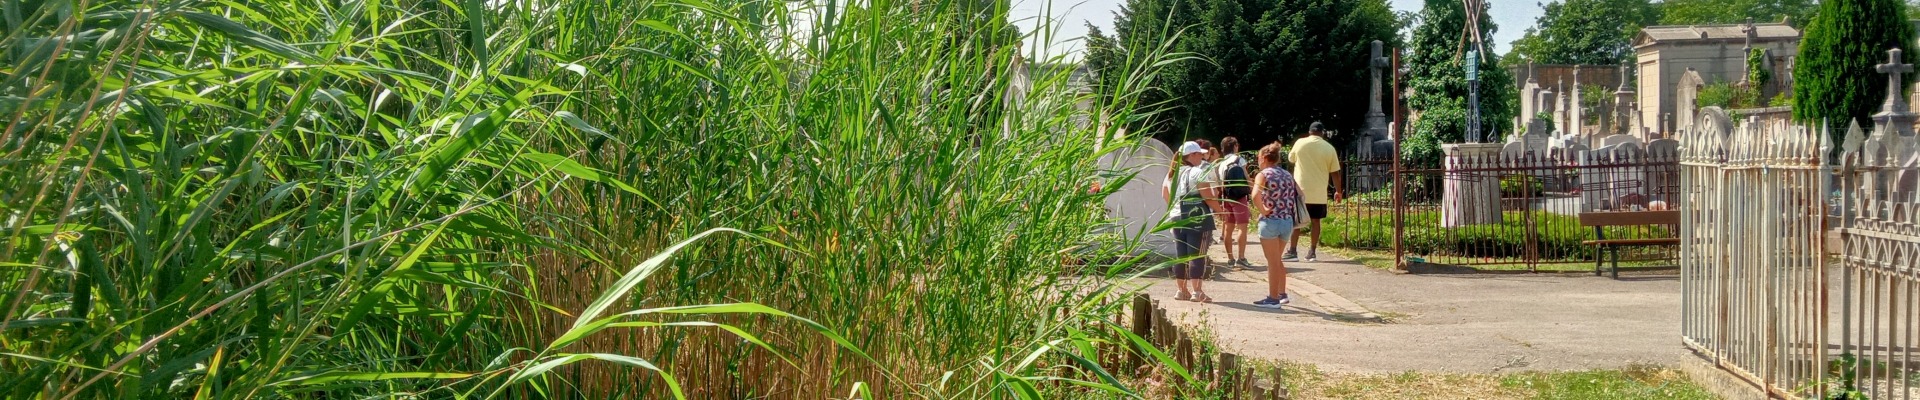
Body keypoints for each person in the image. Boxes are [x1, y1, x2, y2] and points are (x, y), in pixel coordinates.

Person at [1163, 141, 1219, 302]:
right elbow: (1207, 195)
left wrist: (1174, 208)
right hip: (1196, 217)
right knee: (1197, 253)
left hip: (1176, 217)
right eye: (1199, 154)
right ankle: (1197, 292)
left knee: (1181, 254)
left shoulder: (1172, 173)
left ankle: (1181, 290)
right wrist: (1220, 210)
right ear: (1192, 155)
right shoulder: (1196, 172)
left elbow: (1165, 193)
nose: (1201, 157)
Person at [1250, 143, 1301, 308]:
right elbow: (1301, 194)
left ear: (1264, 158)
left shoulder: (1263, 174)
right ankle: (1282, 293)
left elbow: (1255, 195)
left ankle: (1273, 298)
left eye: (1258, 158)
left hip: (1271, 221)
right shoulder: (1287, 174)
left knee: (1272, 262)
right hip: (1287, 222)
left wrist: (1263, 210)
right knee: (1277, 260)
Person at [1287, 122, 1343, 262]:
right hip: (1319, 192)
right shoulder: (1329, 148)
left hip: (1301, 190)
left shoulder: (1300, 143)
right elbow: (1335, 173)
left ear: (1309, 131)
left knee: (1297, 221)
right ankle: (1312, 251)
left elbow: (1291, 159)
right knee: (1316, 221)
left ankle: (1292, 251)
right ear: (1322, 133)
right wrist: (1338, 191)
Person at [1214, 137, 1254, 269]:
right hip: (1239, 197)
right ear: (1235, 146)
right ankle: (1241, 257)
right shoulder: (1239, 160)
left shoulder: (1220, 163)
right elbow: (1246, 177)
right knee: (1242, 227)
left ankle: (1230, 259)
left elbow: (1219, 183)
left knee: (1228, 228)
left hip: (1226, 197)